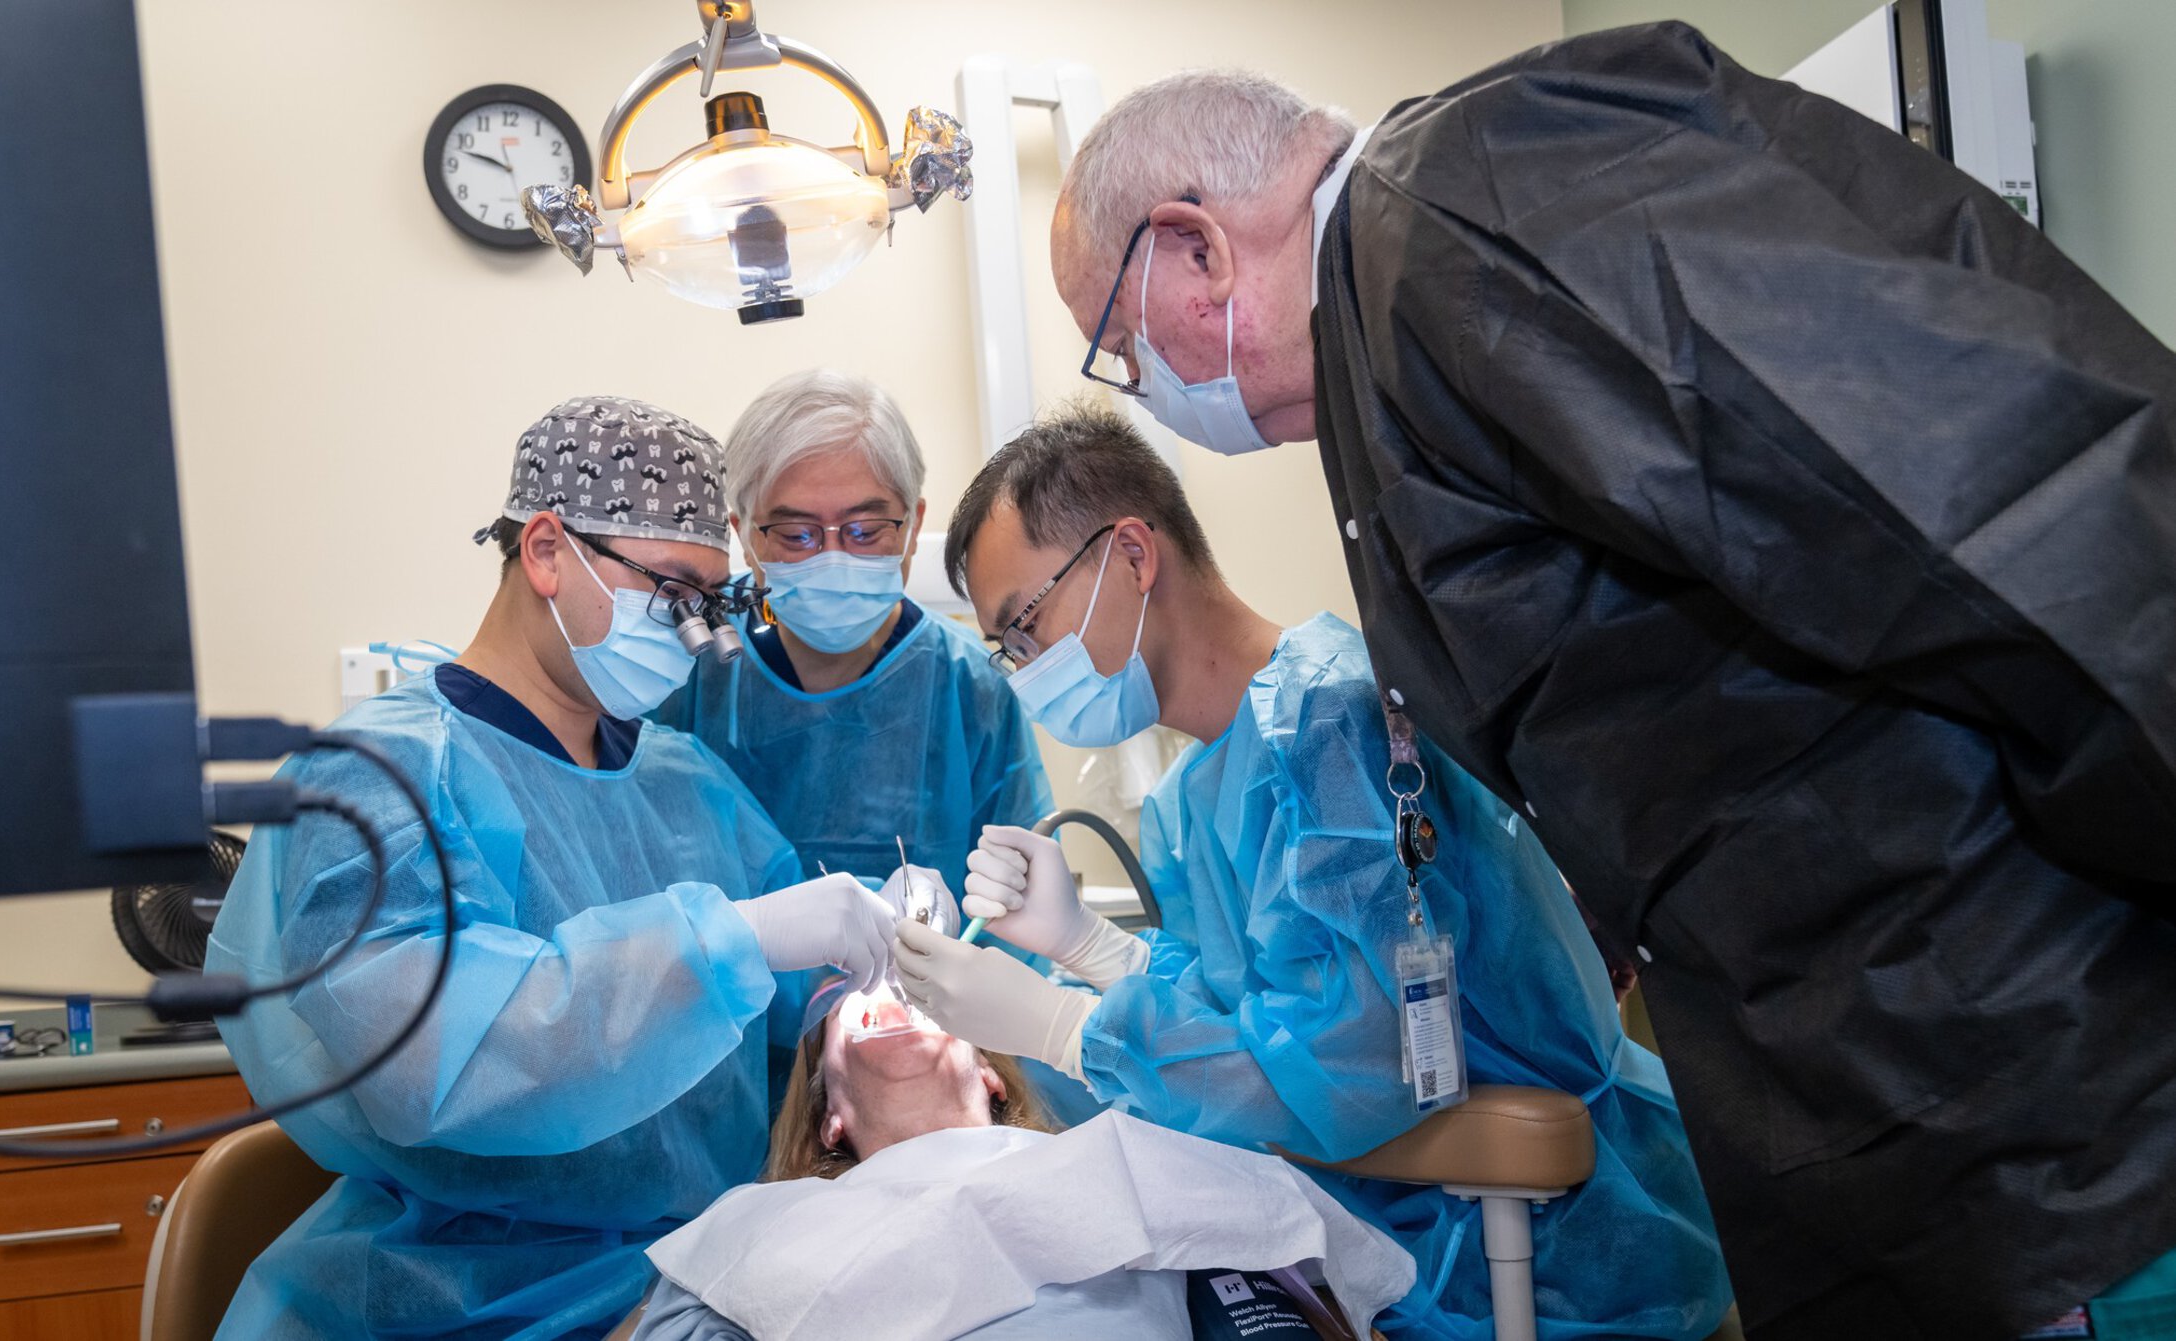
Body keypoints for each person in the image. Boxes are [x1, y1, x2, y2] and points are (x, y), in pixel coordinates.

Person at [1043, 31, 2176, 1340]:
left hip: (2051, 1089)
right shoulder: (1393, 335)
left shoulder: (1465, 205)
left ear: (1195, 246)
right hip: (1901, 1099)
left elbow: (2005, 517)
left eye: (1122, 347)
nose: (1148, 395)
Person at [892, 407, 1730, 1340]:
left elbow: (1354, 1066)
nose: (1025, 671)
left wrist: (1063, 1027)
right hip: (1385, 1248)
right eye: (1007, 648)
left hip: (1540, 1253)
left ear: (1131, 553)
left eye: (1027, 625)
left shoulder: (1327, 723)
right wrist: (1093, 947)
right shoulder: (1192, 792)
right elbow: (1252, 1018)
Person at [206, 395, 900, 1340]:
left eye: (713, 603)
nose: (695, 634)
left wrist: (853, 990)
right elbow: (433, 1057)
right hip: (458, 1292)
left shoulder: (683, 779)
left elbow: (787, 1002)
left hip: (697, 1273)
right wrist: (729, 936)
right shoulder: (380, 778)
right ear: (544, 550)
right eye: (671, 595)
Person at [624, 980, 1415, 1340]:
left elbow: (1293, 1256)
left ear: (993, 1070)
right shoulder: (756, 1223)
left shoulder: (1118, 1160)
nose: (891, 991)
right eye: (856, 987)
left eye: (915, 983)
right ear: (830, 1113)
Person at [654, 369, 1053, 885]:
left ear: (911, 527)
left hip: (927, 966)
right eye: (797, 534)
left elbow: (1020, 897)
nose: (834, 558)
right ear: (745, 535)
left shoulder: (968, 687)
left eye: (866, 531)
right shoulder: (684, 654)